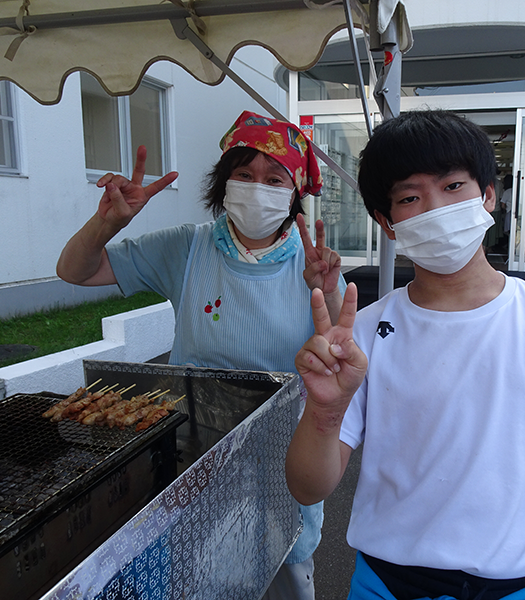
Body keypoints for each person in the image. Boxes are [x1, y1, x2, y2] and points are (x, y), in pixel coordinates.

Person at [286, 110, 525, 600]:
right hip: (387, 586)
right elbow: (308, 487)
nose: (435, 208)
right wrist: (325, 412)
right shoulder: (363, 336)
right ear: (386, 223)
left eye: (453, 186)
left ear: (488, 196)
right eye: (409, 198)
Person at [57, 110, 345, 600]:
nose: (257, 188)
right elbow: (75, 271)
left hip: (283, 463)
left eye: (274, 179)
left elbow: (338, 355)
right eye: (244, 174)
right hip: (195, 460)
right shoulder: (186, 248)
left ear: (294, 192)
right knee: (198, 576)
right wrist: (105, 225)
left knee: (286, 576)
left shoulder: (314, 263)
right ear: (223, 182)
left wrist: (329, 291)